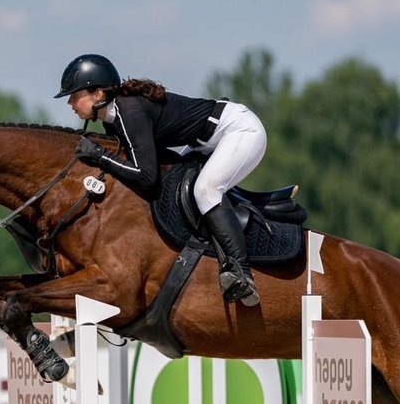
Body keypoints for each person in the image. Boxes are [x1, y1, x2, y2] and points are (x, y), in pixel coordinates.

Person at [55, 53, 265, 306]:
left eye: (74, 95)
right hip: (205, 143)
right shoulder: (114, 118)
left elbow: (146, 177)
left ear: (98, 94)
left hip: (239, 131)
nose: (69, 102)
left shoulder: (129, 112)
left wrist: (100, 157)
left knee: (205, 190)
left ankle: (242, 273)